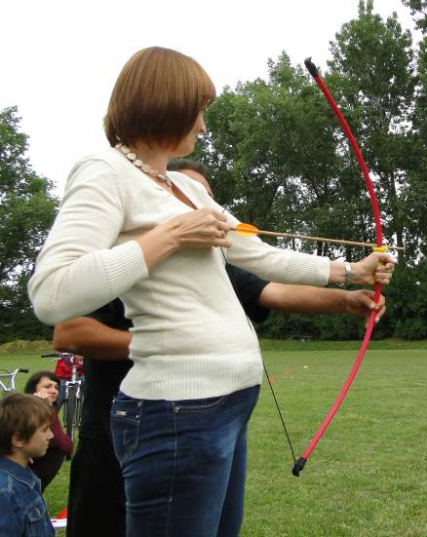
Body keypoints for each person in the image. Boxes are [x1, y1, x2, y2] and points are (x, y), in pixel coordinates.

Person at [28, 46, 396, 537]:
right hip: (176, 408)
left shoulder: (186, 186)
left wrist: (352, 271)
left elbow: (259, 255)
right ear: (168, 104)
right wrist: (170, 237)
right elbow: (51, 292)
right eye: (199, 110)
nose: (203, 126)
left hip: (230, 398)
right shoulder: (104, 170)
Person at [55, 161, 387, 537]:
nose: (208, 208)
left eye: (209, 199)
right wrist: (169, 345)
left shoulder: (214, 261)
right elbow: (68, 332)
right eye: (193, 198)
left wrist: (347, 299)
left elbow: (273, 289)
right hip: (123, 423)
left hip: (204, 414)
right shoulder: (125, 253)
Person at [0, 393, 56, 537]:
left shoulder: (22, 471)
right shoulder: (6, 493)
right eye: (45, 430)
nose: (51, 435)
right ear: (18, 440)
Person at [23, 372, 73, 491]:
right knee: (57, 450)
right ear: (33, 389)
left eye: (56, 387)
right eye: (47, 386)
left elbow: (64, 445)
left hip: (37, 460)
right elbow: (60, 442)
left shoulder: (50, 407)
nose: (54, 391)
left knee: (57, 450)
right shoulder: (23, 409)